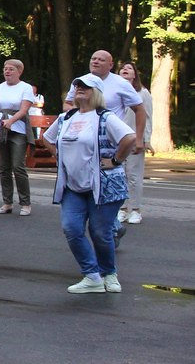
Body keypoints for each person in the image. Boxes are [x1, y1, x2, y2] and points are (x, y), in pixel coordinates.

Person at [43, 74, 136, 293]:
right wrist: (59, 156)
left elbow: (129, 138)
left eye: (85, 86)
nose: (79, 89)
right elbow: (47, 138)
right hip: (72, 187)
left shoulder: (105, 117)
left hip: (103, 186)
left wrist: (115, 160)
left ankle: (109, 273)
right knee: (71, 229)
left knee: (100, 233)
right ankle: (92, 276)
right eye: (76, 86)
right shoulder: (67, 117)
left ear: (96, 92)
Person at [63, 50, 147, 238]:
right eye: (93, 58)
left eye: (101, 60)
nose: (96, 62)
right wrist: (80, 112)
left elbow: (139, 109)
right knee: (87, 185)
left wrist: (139, 138)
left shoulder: (120, 83)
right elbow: (67, 105)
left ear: (110, 65)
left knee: (106, 183)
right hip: (83, 141)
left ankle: (113, 225)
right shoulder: (80, 81)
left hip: (110, 142)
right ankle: (113, 225)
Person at [0, 59, 37, 216]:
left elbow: (24, 110)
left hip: (18, 129)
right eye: (5, 69)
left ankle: (25, 203)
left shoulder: (25, 88)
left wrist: (11, 121)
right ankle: (7, 202)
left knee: (18, 166)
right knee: (3, 167)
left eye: (11, 69)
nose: (7, 71)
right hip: (0, 129)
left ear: (19, 71)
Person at [118, 61, 153, 224]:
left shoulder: (142, 93)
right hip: (117, 140)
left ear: (135, 74)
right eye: (123, 68)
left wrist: (145, 139)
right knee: (119, 175)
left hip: (134, 139)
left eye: (129, 68)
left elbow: (147, 117)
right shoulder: (114, 91)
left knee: (134, 176)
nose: (125, 69)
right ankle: (122, 208)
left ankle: (136, 209)